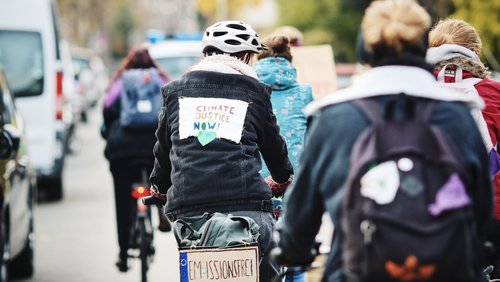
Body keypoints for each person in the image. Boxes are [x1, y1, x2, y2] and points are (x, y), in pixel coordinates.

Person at [273, 0, 493, 281]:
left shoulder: (334, 118)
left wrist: (293, 249)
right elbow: (482, 215)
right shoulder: (458, 116)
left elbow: (299, 222)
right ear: (424, 46)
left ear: (364, 47)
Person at [149, 20, 294, 281]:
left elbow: (164, 151)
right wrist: (283, 179)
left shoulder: (175, 91)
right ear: (246, 56)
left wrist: (158, 188)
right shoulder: (255, 91)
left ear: (207, 54)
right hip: (248, 207)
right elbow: (275, 152)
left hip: (189, 211)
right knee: (271, 268)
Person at [426, 17, 500, 277]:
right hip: (491, 215)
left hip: (424, 213)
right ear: (475, 52)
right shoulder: (494, 93)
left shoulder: (414, 90)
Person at [101, 46, 169, 272]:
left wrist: (108, 132)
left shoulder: (121, 82)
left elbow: (108, 110)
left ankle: (122, 254)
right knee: (162, 173)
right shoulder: (160, 79)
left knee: (123, 200)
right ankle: (161, 206)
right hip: (154, 146)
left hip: (123, 150)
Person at [254, 34, 313, 281]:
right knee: (296, 257)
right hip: (295, 186)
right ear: (290, 61)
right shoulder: (305, 93)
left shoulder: (249, 91)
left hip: (256, 185)